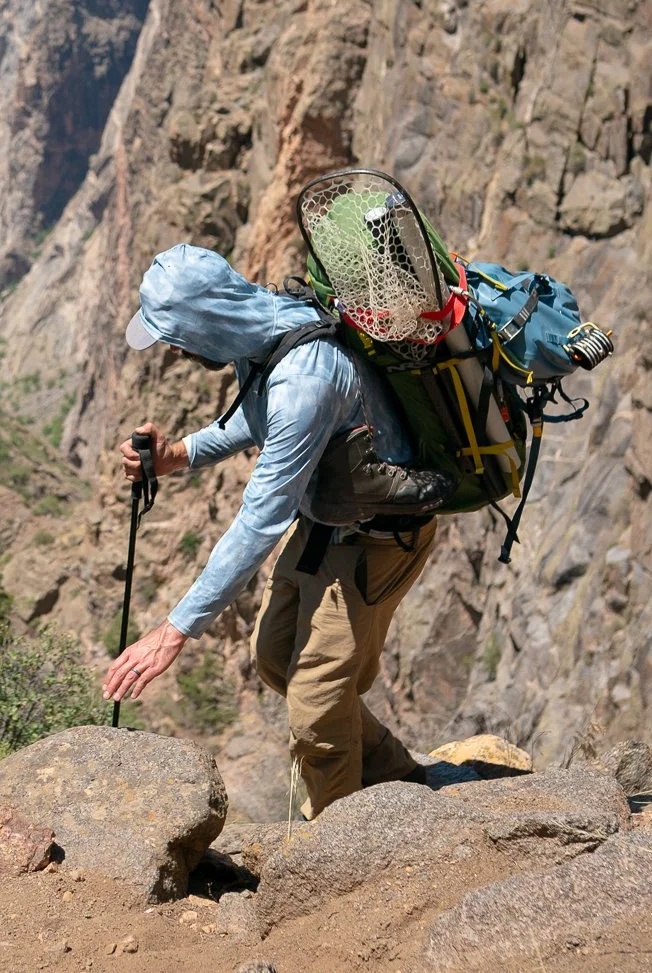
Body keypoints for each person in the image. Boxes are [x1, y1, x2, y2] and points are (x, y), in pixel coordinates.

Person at [101, 243, 449, 817]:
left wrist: (173, 631)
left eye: (177, 337)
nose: (177, 350)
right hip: (329, 520)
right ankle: (398, 777)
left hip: (378, 538)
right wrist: (179, 455)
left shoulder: (304, 382)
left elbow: (261, 519)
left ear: (206, 323)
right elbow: (255, 414)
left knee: (315, 703)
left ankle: (345, 850)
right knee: (275, 656)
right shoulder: (266, 325)